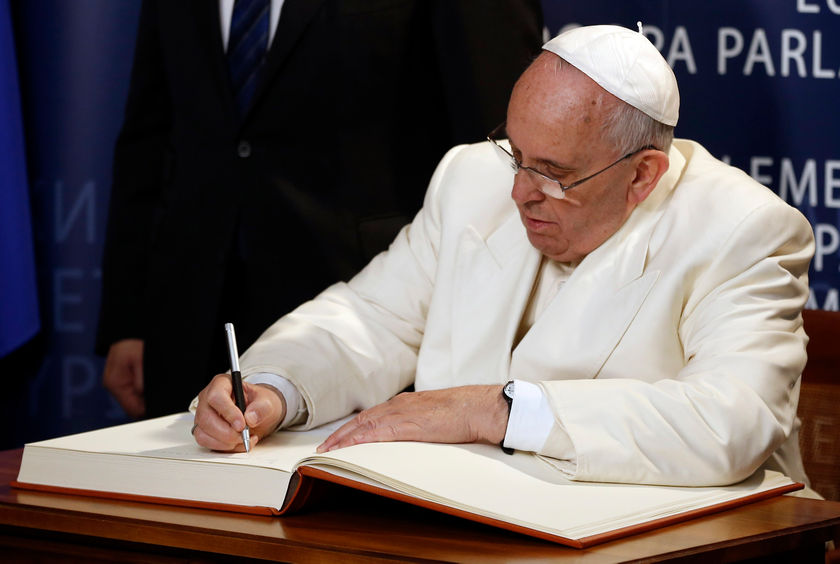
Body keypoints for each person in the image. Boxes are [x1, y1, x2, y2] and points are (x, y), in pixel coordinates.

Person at [192, 24, 816, 489]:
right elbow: (372, 319)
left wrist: (492, 409)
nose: (519, 192)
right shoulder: (472, 178)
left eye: (554, 173)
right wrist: (274, 387)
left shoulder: (743, 229)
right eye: (515, 153)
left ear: (642, 176)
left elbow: (733, 420)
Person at [96, 1, 543, 418]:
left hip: (371, 319)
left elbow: (502, 142)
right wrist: (128, 318)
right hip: (185, 313)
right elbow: (149, 135)